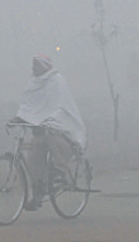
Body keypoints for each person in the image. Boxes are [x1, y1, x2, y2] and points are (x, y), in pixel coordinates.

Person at [10, 53, 87, 211]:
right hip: (40, 129)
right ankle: (37, 191)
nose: (33, 68)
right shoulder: (33, 83)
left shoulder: (56, 80)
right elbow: (28, 105)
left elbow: (61, 105)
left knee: (54, 143)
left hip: (56, 129)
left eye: (36, 65)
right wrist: (20, 118)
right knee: (33, 158)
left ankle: (61, 170)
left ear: (44, 66)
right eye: (33, 65)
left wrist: (50, 119)